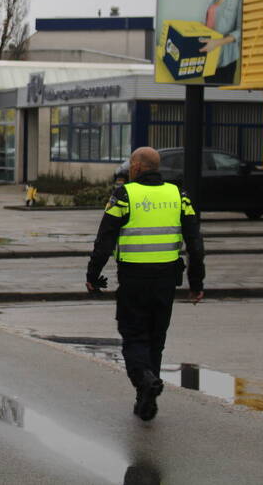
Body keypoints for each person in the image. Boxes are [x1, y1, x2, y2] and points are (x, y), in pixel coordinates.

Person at [85, 146, 205, 421]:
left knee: (134, 336)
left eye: (131, 164)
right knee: (155, 340)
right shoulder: (179, 195)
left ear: (137, 167)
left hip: (134, 279)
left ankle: (144, 381)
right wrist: (196, 282)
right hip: (166, 280)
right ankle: (145, 398)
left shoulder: (124, 195)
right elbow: (196, 245)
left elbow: (105, 239)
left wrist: (93, 275)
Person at [199, 0, 243, 84]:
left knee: (219, 98)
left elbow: (241, 30)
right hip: (208, 56)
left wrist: (217, 43)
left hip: (225, 59)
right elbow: (207, 22)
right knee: (207, 97)